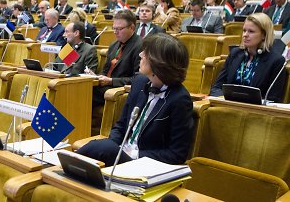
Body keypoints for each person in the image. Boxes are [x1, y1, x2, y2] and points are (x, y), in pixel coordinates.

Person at [78, 33, 193, 165]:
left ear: (159, 63)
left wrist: (133, 154)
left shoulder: (180, 99)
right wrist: (114, 146)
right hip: (121, 153)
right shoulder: (139, 82)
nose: (140, 55)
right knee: (99, 149)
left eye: (146, 53)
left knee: (100, 148)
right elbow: (121, 126)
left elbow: (177, 154)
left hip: (144, 163)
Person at [210, 13, 286, 102]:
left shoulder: (276, 61)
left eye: (251, 31)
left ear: (264, 35)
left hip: (254, 111)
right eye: (244, 30)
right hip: (228, 106)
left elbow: (273, 99)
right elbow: (217, 88)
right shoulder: (235, 54)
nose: (245, 35)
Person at [89, 10, 142, 107]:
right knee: (79, 88)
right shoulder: (114, 45)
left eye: (119, 29)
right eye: (114, 28)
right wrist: (96, 76)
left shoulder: (140, 46)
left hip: (119, 90)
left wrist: (111, 81)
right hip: (105, 87)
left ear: (132, 27)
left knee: (84, 93)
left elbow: (138, 79)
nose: (115, 32)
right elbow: (105, 71)